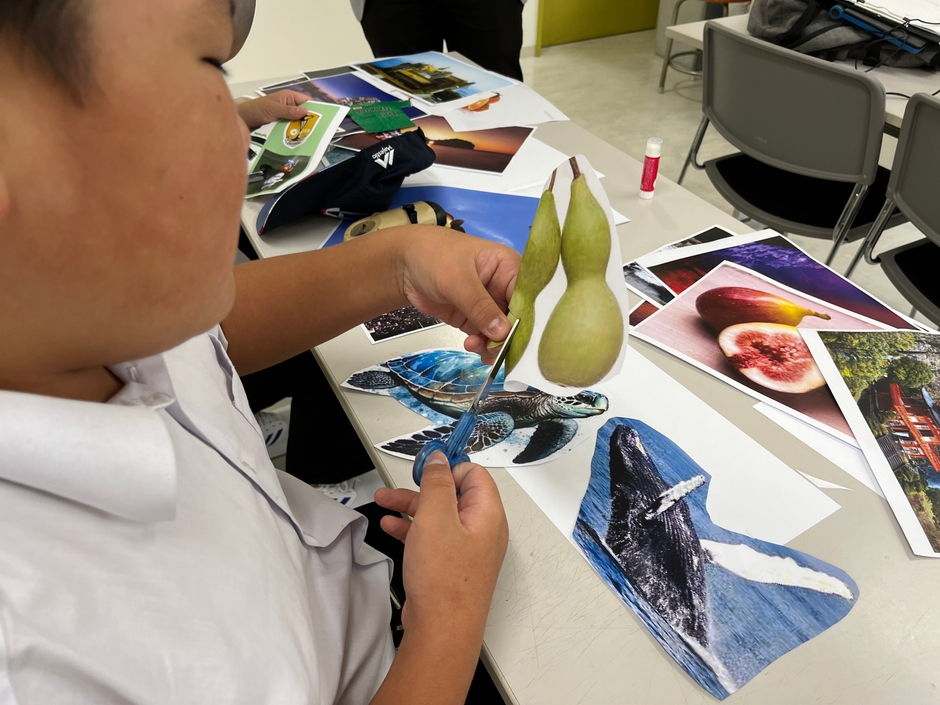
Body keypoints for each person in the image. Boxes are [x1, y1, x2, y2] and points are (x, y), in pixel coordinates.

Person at [0, 1, 519, 703]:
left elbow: (204, 341)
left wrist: (397, 263)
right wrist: (446, 621)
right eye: (211, 67)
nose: (244, 125)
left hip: (331, 583)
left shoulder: (81, 315)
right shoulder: (42, 656)